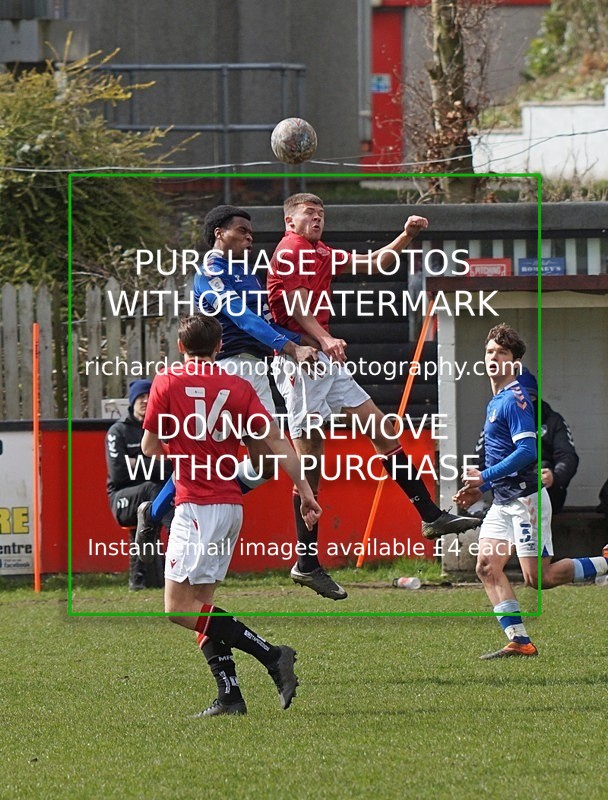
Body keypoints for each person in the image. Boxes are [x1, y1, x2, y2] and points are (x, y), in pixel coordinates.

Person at [266, 192, 480, 601]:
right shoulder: (289, 250)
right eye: (309, 212)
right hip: (300, 360)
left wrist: (405, 236)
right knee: (311, 463)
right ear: (289, 221)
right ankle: (306, 563)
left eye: (322, 212)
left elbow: (373, 262)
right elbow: (293, 304)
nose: (317, 217)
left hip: (323, 359)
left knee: (381, 428)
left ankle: (430, 516)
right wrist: (325, 337)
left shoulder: (319, 250)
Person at [141, 314, 322, 716]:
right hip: (229, 508)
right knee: (203, 605)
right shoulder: (238, 386)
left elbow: (150, 447)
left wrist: (187, 447)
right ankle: (230, 696)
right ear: (220, 347)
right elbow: (272, 444)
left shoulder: (167, 381)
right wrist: (306, 493)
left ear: (180, 348)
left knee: (178, 609)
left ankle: (273, 655)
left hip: (195, 508)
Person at [135, 204, 318, 560]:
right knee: (243, 452)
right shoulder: (211, 271)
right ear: (220, 233)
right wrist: (289, 347)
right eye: (242, 231)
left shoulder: (248, 276)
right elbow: (242, 318)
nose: (249, 238)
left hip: (256, 370)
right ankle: (168, 508)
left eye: (251, 234)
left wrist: (311, 340)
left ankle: (172, 505)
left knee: (264, 465)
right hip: (228, 368)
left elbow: (264, 322)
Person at [454, 323, 608, 659]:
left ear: (514, 363)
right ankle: (519, 641)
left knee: (540, 578)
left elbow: (528, 454)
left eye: (502, 352)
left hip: (526, 501)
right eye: (490, 351)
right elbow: (504, 457)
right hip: (503, 500)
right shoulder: (495, 401)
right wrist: (484, 488)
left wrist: (484, 477)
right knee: (486, 567)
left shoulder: (515, 400)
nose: (494, 357)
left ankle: (606, 561)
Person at [474, 368, 579, 514]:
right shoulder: (497, 417)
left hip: (544, 492)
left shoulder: (552, 420)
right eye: (520, 397)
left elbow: (567, 456)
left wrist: (555, 476)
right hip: (506, 492)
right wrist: (486, 482)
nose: (526, 402)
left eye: (531, 397)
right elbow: (480, 460)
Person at [105, 379, 171, 590]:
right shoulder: (118, 432)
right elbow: (119, 473)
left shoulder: (162, 429)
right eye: (140, 397)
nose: (145, 401)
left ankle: (143, 580)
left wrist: (137, 463)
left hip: (152, 498)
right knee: (154, 489)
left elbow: (173, 468)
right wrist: (155, 463)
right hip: (121, 500)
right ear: (131, 402)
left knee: (160, 493)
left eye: (148, 396)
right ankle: (178, 544)